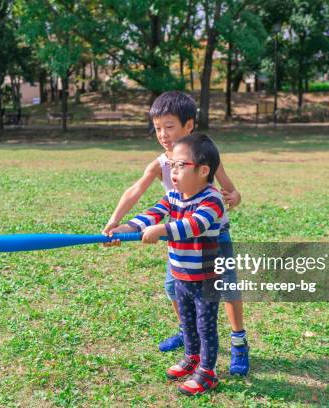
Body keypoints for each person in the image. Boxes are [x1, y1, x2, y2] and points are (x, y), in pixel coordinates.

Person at [103, 91, 250, 376]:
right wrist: (118, 224)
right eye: (158, 128)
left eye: (169, 126)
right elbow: (139, 194)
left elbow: (230, 191)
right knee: (175, 288)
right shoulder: (161, 164)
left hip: (210, 239)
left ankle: (238, 342)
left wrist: (234, 197)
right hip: (178, 240)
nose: (162, 134)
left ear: (189, 126)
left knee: (226, 289)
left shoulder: (203, 156)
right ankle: (189, 335)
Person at [110, 134, 225, 395]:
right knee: (187, 322)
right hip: (181, 274)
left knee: (205, 325)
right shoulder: (173, 196)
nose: (173, 171)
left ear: (203, 170)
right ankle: (192, 358)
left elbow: (193, 225)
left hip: (206, 278)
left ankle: (208, 372)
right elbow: (148, 216)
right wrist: (123, 230)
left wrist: (160, 230)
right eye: (171, 165)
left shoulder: (212, 199)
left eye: (180, 165)